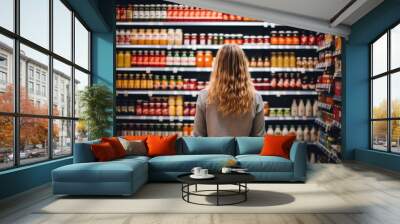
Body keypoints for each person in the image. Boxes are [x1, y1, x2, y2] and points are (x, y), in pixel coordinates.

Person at [193, 44, 265, 137]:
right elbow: (259, 138)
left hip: (213, 151)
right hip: (242, 151)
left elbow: (198, 137)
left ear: (217, 65)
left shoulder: (204, 96)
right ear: (243, 65)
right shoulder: (255, 97)